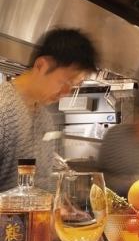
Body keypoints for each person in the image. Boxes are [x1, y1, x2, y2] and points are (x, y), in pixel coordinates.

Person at [0, 28, 98, 192]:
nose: (66, 92)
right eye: (65, 82)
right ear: (41, 65)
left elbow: (43, 182)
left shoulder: (45, 117)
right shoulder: (3, 110)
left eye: (73, 86)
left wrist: (59, 202)